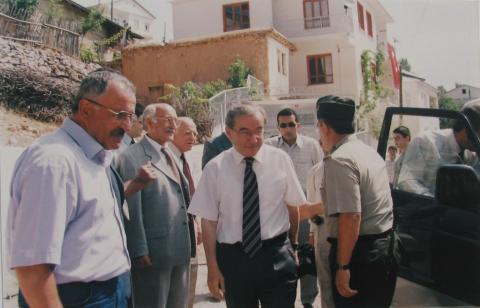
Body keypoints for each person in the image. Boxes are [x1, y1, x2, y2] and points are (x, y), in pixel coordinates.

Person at [7, 69, 135, 307]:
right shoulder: (53, 161)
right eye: (120, 115)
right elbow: (33, 269)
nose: (127, 127)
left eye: (131, 116)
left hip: (111, 292)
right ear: (86, 109)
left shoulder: (97, 157)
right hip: (77, 298)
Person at [188, 103, 323, 308]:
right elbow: (208, 222)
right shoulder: (215, 169)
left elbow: (295, 206)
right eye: (245, 132)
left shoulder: (280, 160)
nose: (254, 139)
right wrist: (213, 269)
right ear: (229, 133)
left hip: (276, 256)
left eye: (259, 130)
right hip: (234, 261)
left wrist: (294, 245)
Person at [316, 95, 398, 308]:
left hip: (359, 255)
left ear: (324, 127)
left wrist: (343, 267)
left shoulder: (339, 159)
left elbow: (351, 215)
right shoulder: (368, 152)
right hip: (384, 249)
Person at [116, 103, 191, 308]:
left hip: (178, 248)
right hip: (153, 254)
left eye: (175, 120)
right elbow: (131, 207)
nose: (173, 125)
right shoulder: (132, 157)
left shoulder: (170, 153)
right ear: (149, 123)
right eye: (167, 120)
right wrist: (139, 248)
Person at [265, 107, 322, 308]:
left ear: (298, 125)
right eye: (283, 125)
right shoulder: (269, 147)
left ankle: (307, 300)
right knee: (281, 256)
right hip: (279, 212)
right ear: (278, 127)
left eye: (291, 124)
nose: (287, 129)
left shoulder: (312, 146)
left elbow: (321, 177)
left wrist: (317, 215)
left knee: (306, 256)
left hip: (305, 210)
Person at [397, 101, 480, 196]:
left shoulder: (473, 154)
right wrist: (435, 202)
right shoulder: (426, 141)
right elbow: (407, 182)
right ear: (468, 130)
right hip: (425, 208)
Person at [168, 117, 202, 308]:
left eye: (195, 133)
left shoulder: (185, 158)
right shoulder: (166, 159)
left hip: (190, 233)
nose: (193, 137)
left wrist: (196, 222)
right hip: (173, 239)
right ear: (173, 134)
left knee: (189, 290)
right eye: (188, 133)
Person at [305, 159, 335, 308]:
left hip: (347, 227)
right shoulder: (315, 171)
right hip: (322, 227)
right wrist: (311, 233)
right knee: (326, 280)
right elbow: (310, 202)